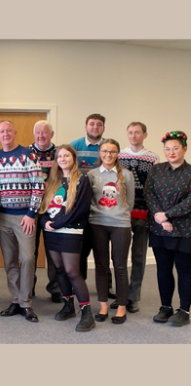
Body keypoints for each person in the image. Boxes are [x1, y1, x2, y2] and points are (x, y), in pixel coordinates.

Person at [0, 120, 44, 323]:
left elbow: (38, 185)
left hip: (25, 217)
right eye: (2, 131)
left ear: (14, 133)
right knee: (10, 260)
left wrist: (31, 213)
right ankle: (16, 299)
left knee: (28, 258)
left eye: (8, 131)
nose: (5, 134)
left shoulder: (28, 155)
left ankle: (26, 303)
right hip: (2, 217)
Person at [38, 145, 95, 332]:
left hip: (71, 231)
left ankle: (87, 312)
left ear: (73, 158)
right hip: (52, 232)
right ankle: (68, 305)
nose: (63, 158)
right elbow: (44, 207)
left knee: (72, 271)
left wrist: (56, 224)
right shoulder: (53, 180)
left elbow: (80, 210)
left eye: (66, 155)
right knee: (59, 269)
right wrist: (45, 222)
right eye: (59, 156)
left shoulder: (82, 180)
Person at [145, 131, 191, 327]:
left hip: (184, 230)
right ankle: (165, 307)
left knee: (184, 270)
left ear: (184, 149)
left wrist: (168, 215)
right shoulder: (157, 170)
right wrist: (160, 217)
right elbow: (149, 193)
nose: (171, 152)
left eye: (175, 148)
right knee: (163, 269)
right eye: (167, 148)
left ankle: (184, 310)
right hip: (159, 228)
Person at [87, 138, 134, 325]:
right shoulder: (91, 175)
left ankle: (121, 306)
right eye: (105, 151)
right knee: (101, 266)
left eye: (113, 151)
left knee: (120, 266)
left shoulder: (127, 175)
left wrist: (118, 215)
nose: (108, 155)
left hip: (120, 224)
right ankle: (103, 305)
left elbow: (129, 202)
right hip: (97, 223)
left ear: (118, 154)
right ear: (100, 153)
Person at [116, 122, 159, 313]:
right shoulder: (119, 155)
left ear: (145, 135)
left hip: (143, 213)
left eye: (137, 133)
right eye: (131, 132)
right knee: (119, 256)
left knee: (139, 256)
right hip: (122, 214)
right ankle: (121, 295)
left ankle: (133, 297)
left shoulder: (153, 158)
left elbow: (155, 186)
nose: (133, 136)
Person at [70, 113, 114, 296]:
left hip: (103, 206)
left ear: (103, 128)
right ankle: (79, 286)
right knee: (80, 249)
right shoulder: (75, 146)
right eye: (91, 124)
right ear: (86, 127)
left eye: (99, 124)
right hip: (80, 206)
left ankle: (107, 287)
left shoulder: (108, 147)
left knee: (102, 250)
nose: (95, 127)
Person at [29, 120, 61, 303]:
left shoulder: (59, 154)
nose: (41, 136)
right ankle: (29, 287)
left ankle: (55, 289)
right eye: (38, 133)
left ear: (52, 134)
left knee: (53, 251)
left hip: (53, 210)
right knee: (29, 251)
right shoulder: (26, 153)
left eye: (45, 133)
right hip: (32, 210)